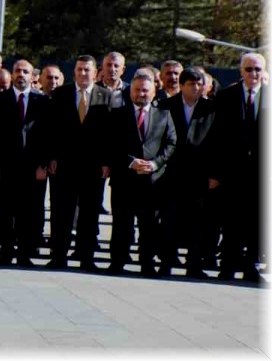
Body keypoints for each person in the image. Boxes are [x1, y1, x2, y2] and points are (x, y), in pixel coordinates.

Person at [45, 55, 113, 271]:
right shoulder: (61, 94)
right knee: (61, 212)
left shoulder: (106, 95)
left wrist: (106, 162)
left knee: (90, 213)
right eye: (80, 70)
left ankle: (86, 257)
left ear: (96, 73)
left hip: (93, 167)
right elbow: (51, 128)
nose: (83, 74)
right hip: (64, 164)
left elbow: (110, 133)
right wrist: (51, 157)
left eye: (87, 70)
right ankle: (58, 256)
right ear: (74, 72)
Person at [107, 71, 177, 277]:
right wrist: (130, 162)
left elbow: (171, 143)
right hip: (124, 180)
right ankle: (117, 263)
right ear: (131, 91)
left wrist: (155, 164)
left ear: (154, 91)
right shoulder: (118, 115)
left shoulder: (164, 114)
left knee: (149, 227)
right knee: (121, 224)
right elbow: (111, 145)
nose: (141, 94)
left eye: (145, 90)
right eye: (137, 90)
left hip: (152, 182)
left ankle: (147, 264)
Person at [207, 52, 265, 282]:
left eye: (258, 69)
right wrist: (214, 172)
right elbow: (215, 137)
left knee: (256, 223)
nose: (254, 74)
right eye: (249, 69)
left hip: (260, 174)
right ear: (241, 71)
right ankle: (228, 266)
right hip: (231, 172)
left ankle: (251, 266)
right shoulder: (225, 97)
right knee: (231, 222)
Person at [0, 59, 49, 267]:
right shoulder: (0, 100)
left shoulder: (42, 101)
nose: (21, 74)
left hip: (32, 168)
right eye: (17, 71)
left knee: (28, 212)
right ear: (12, 74)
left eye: (26, 71)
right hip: (6, 166)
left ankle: (24, 253)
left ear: (33, 76)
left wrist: (43, 164)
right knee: (5, 211)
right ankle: (6, 252)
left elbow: (47, 136)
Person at [158, 68, 216, 278]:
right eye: (191, 83)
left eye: (200, 84)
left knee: (197, 224)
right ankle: (166, 264)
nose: (196, 87)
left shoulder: (212, 109)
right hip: (171, 175)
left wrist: (214, 174)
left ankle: (194, 266)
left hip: (199, 176)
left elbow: (219, 144)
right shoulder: (166, 106)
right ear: (182, 85)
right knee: (169, 221)